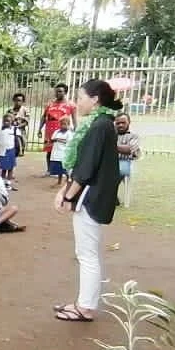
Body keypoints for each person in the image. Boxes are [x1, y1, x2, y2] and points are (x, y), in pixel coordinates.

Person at [52, 79, 122, 323]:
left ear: (95, 100)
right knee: (87, 253)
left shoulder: (100, 126)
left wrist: (67, 194)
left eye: (81, 97)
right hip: (93, 194)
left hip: (91, 197)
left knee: (87, 254)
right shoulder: (101, 124)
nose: (77, 102)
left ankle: (85, 307)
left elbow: (87, 166)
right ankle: (84, 303)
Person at [39, 83, 77, 176]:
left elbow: (74, 119)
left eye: (60, 91)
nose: (57, 93)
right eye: (56, 91)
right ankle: (50, 170)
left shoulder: (71, 105)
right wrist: (39, 128)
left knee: (63, 150)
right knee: (49, 151)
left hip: (63, 130)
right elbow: (44, 117)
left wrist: (75, 130)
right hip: (50, 129)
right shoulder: (50, 104)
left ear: (65, 92)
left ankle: (63, 170)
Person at [115, 112, 142, 199]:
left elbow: (129, 149)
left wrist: (111, 146)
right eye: (118, 123)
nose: (120, 125)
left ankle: (111, 195)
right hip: (110, 161)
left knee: (116, 171)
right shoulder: (111, 133)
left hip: (125, 162)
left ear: (129, 122)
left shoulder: (134, 135)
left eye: (123, 123)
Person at [49, 115, 72, 184]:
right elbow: (52, 139)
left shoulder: (69, 133)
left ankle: (68, 179)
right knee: (59, 168)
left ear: (68, 124)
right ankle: (59, 180)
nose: (63, 126)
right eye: (61, 124)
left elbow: (68, 141)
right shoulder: (57, 132)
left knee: (65, 168)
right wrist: (55, 140)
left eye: (65, 124)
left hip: (64, 152)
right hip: (56, 152)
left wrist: (58, 139)